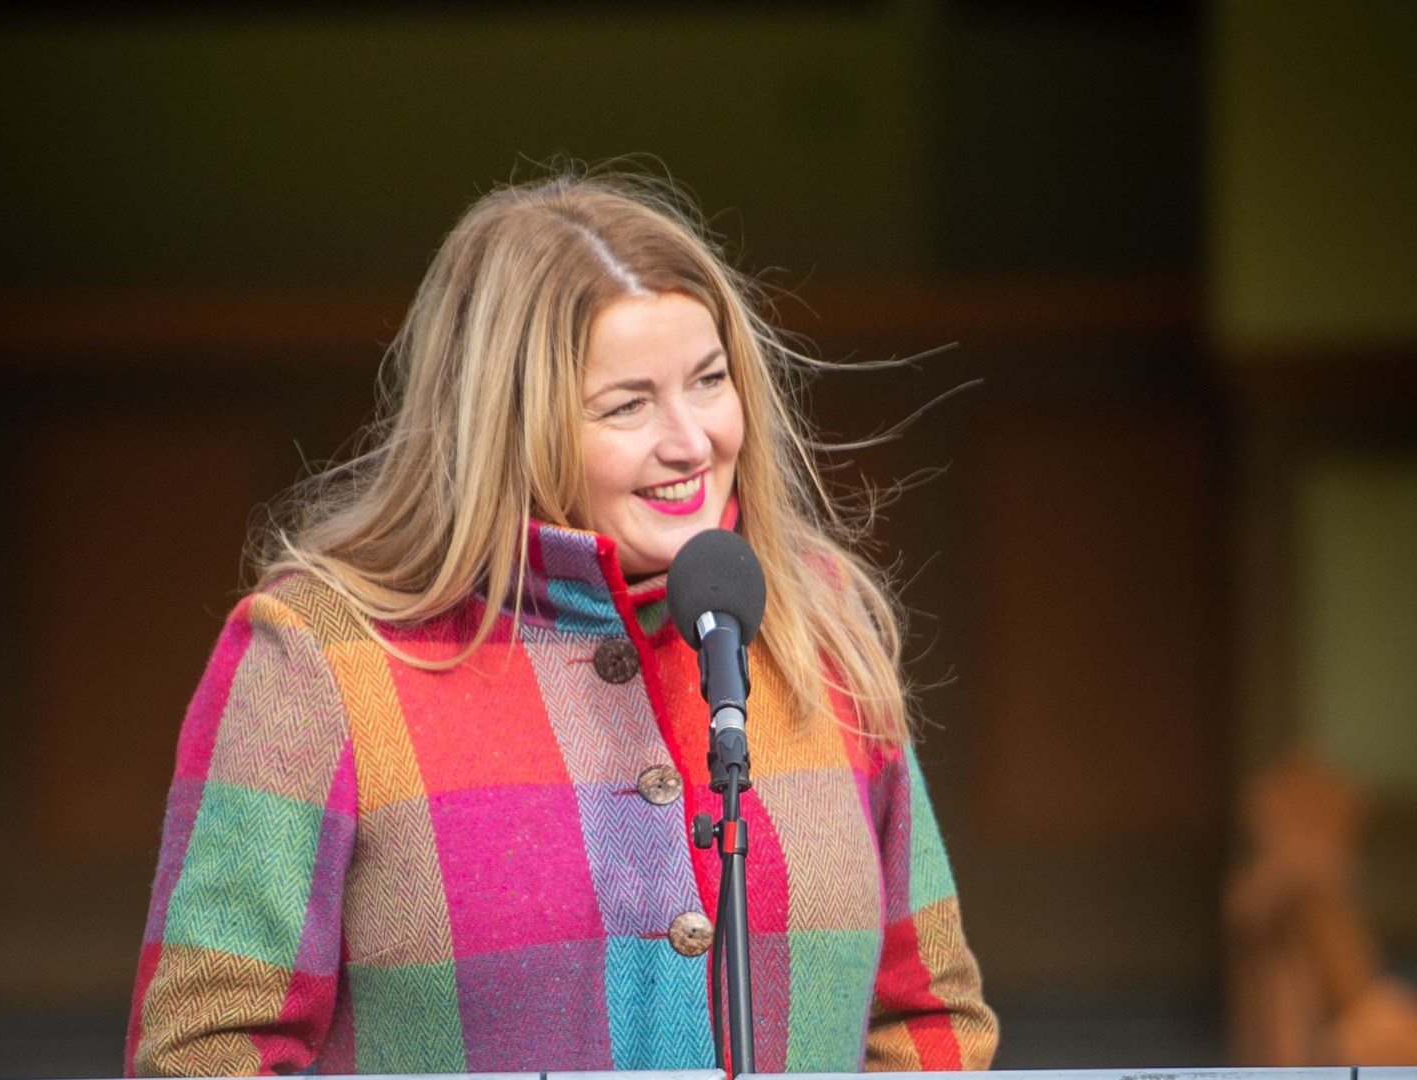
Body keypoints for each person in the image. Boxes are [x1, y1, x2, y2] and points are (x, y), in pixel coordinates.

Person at [127, 170, 998, 1077]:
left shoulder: (821, 625)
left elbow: (931, 1022)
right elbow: (205, 1054)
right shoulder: (320, 654)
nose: (691, 441)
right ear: (507, 425)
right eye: (626, 405)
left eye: (709, 381)